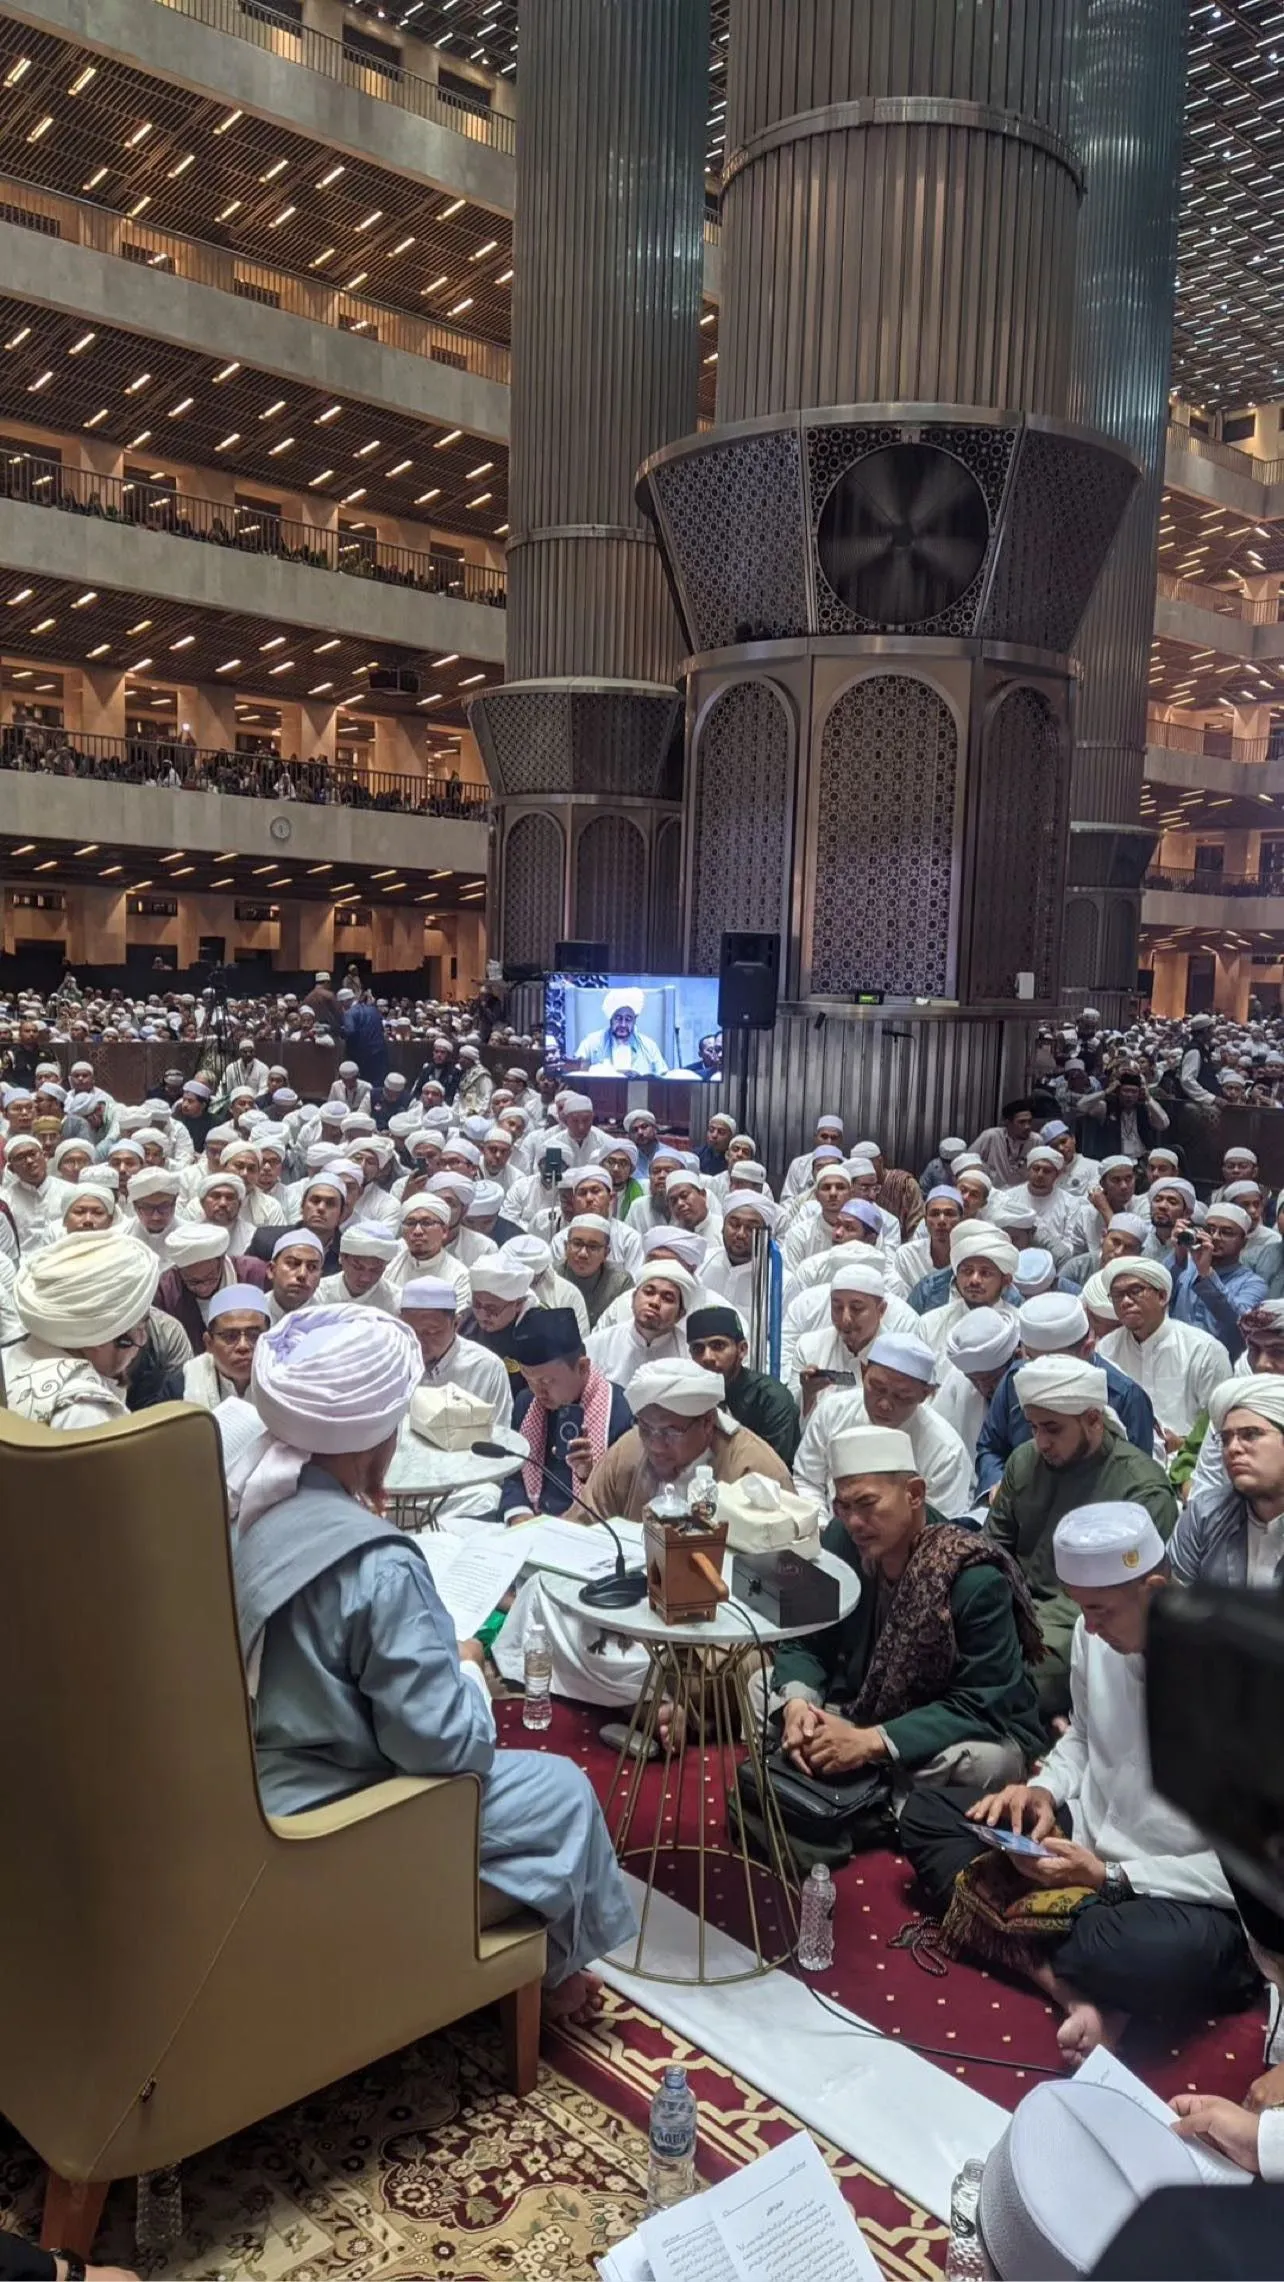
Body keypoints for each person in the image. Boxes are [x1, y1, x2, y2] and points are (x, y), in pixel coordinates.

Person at [231, 1304, 636, 2009]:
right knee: (563, 1793)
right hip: (332, 1815)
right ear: (380, 1439)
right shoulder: (380, 1565)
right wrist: (469, 1672)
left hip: (249, 1781)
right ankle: (550, 1978)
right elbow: (445, 1751)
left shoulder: (244, 1504)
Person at [899, 1502, 1257, 2065]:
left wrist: (1110, 1877)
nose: (1088, 1627)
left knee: (1127, 1950)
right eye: (1081, 1608)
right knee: (927, 1813)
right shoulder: (1099, 1636)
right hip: (1088, 1839)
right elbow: (1084, 1740)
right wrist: (1043, 1791)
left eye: (1101, 1609)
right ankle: (1068, 1987)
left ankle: (1035, 1931)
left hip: (1184, 1891)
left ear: (1156, 1588)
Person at [493, 1358, 792, 1707]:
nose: (655, 1444)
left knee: (712, 1675)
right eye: (646, 1428)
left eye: (669, 1433)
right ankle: (642, 1707)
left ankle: (660, 1711)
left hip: (708, 1625)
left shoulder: (754, 1468)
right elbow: (580, 1525)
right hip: (622, 1604)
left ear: (708, 1423)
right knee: (541, 1599)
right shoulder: (635, 1446)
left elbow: (773, 1594)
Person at [769, 1422, 1044, 1797]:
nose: (854, 1522)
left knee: (989, 1764)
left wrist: (872, 1742)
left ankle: (850, 1775)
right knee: (761, 1689)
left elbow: (979, 1703)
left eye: (867, 1505)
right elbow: (804, 1640)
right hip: (856, 1705)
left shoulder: (972, 1577)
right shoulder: (841, 1537)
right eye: (843, 1507)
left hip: (939, 1728)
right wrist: (799, 1707)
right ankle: (865, 1782)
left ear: (914, 1494)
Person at [985, 1354, 1177, 1718]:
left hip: (1087, 1623)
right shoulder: (1024, 1462)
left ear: (1092, 1420)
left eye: (1053, 1428)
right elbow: (991, 1552)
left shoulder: (1142, 1486)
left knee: (1013, 1678)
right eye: (1033, 1427)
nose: (1041, 1441)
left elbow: (1123, 1598)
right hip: (1012, 1610)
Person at [974, 1292, 1155, 1497]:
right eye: (1033, 1360)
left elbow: (1138, 1481)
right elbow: (990, 1448)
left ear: (1087, 1350)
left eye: (1054, 1364)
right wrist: (997, 1483)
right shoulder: (1016, 1379)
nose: (1040, 1373)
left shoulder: (1125, 1397)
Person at [792, 1329, 974, 1515]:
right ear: (863, 1373)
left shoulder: (945, 1452)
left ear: (924, 1395)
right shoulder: (833, 1411)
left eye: (901, 1397)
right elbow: (807, 1481)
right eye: (877, 1388)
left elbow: (942, 1525)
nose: (885, 1404)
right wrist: (822, 1528)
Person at [5, 1229, 160, 1428]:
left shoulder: (8, 1357)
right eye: (138, 1331)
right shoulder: (86, 1413)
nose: (143, 1340)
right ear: (100, 1340)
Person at [500, 1308, 634, 1519]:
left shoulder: (621, 1410)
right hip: (532, 1526)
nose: (538, 1392)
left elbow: (626, 1497)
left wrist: (589, 1474)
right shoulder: (526, 1403)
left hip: (591, 1529)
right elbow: (514, 1474)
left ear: (582, 1367)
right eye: (529, 1380)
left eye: (546, 1381)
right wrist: (518, 1515)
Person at [1097, 1257, 1232, 1448]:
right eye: (1117, 1295)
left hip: (1186, 1464)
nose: (1125, 1302)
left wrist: (1183, 1444)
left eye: (1135, 1291)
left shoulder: (1204, 1350)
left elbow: (1222, 1426)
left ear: (1162, 1296)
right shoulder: (1105, 1349)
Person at [1170, 1375, 1284, 1588]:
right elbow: (1173, 1604)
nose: (1232, 1448)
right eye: (1225, 1439)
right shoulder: (1205, 1514)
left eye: (1250, 1435)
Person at [685, 1303, 800, 1464]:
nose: (707, 1357)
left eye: (718, 1346)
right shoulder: (687, 1396)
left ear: (742, 1350)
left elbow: (774, 1468)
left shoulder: (771, 1399)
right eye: (698, 1349)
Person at [399, 1276, 512, 1434]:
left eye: (431, 1332)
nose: (419, 1342)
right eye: (410, 1331)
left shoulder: (486, 1369)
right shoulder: (391, 1361)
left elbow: (499, 1435)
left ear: (456, 1324)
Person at [1168, 1206, 1267, 1360]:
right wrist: (1178, 1256)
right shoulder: (1186, 1267)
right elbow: (1157, 1294)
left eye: (1226, 1233)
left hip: (1218, 1365)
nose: (1215, 1237)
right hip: (1174, 1356)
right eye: (1210, 1229)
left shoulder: (1253, 1283)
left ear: (1244, 1242)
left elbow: (1239, 1323)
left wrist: (1206, 1274)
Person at [181, 1284, 271, 1408]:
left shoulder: (288, 1382)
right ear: (209, 1343)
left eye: (254, 1335)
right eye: (230, 1336)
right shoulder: (182, 1384)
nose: (243, 1346)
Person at [558, 1213, 634, 1327]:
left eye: (593, 1247)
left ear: (606, 1253)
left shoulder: (620, 1283)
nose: (583, 1253)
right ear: (565, 1247)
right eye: (577, 1244)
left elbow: (623, 1329)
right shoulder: (551, 1276)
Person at [577, 988, 669, 1076]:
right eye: (618, 1018)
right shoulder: (591, 1043)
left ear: (634, 1020)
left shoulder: (649, 1047)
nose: (623, 1024)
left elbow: (664, 1079)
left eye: (628, 1019)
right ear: (611, 1018)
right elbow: (575, 1072)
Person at [317, 1224, 400, 1312]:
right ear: (341, 1258)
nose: (365, 1278)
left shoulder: (396, 1302)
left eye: (375, 1270)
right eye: (358, 1267)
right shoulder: (318, 1294)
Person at [971, 1099, 1036, 1188]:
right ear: (1007, 1122)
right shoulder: (992, 1136)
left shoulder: (1036, 1141)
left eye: (1029, 1121)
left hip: (1022, 1194)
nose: (1027, 1126)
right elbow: (968, 1161)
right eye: (1022, 1122)